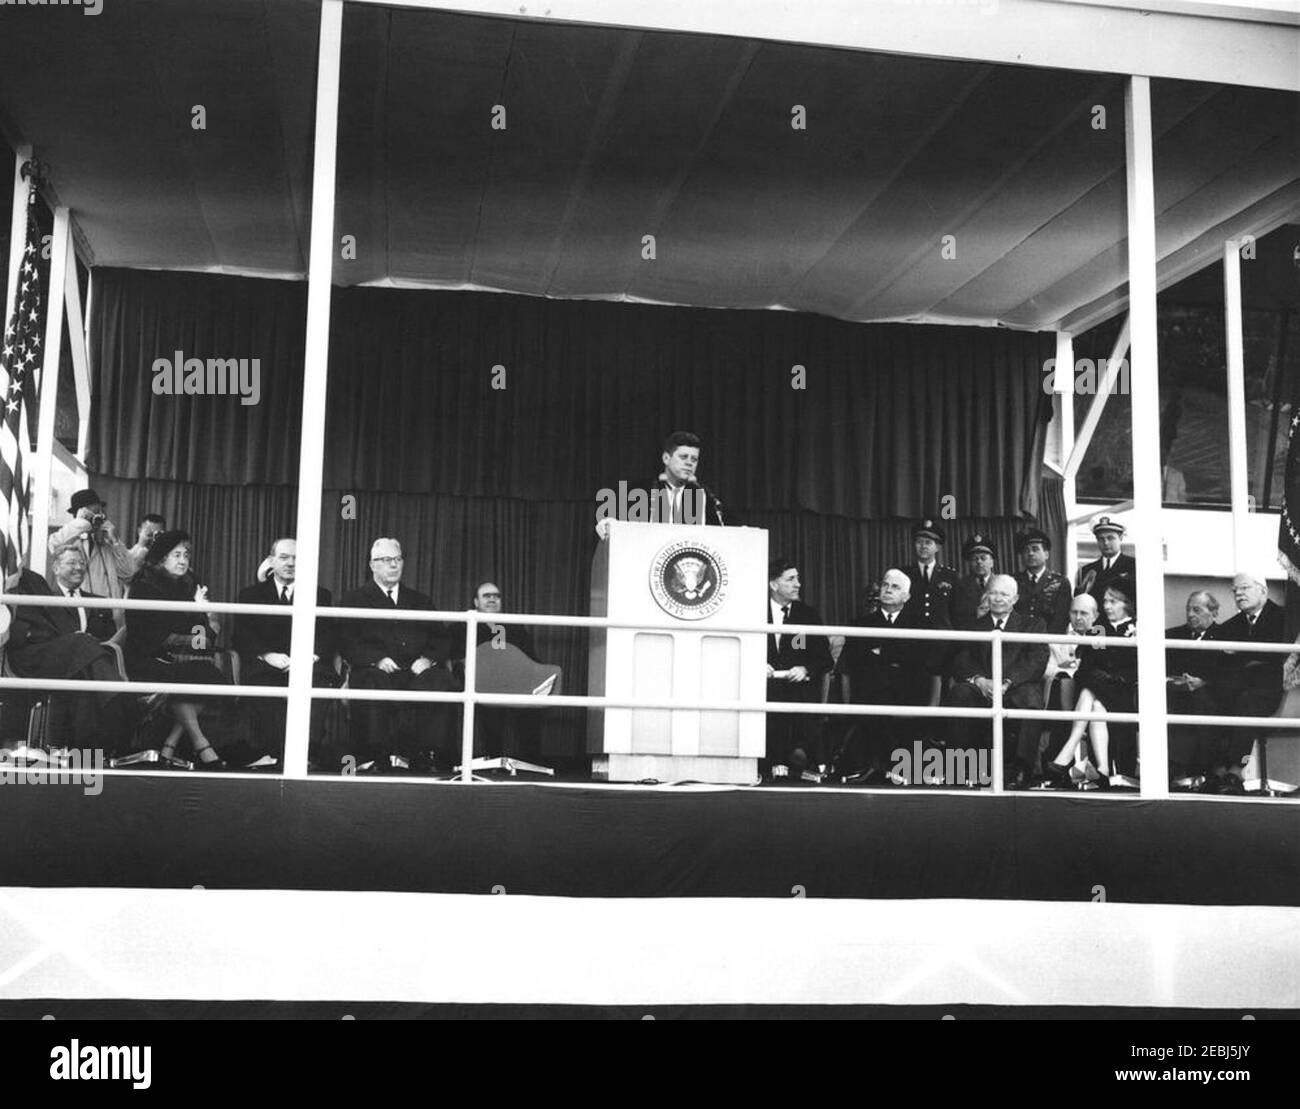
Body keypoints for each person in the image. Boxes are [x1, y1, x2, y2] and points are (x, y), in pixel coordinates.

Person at [339, 538, 461, 773]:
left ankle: (430, 755)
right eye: (386, 560)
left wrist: (427, 659)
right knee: (372, 681)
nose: (393, 565)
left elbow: (441, 639)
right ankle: (376, 756)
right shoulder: (354, 599)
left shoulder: (420, 600)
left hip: (416, 671)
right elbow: (347, 641)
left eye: (397, 559)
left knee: (440, 680)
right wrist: (376, 659)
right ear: (372, 565)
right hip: (376, 668)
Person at [5, 548, 139, 751]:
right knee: (81, 644)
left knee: (83, 670)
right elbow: (21, 631)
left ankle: (89, 748)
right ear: (56, 568)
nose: (78, 567)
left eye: (81, 563)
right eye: (72, 563)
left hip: (75, 656)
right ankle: (126, 702)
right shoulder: (21, 584)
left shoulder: (34, 581)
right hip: (32, 657)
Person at [124, 530, 231, 769]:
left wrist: (206, 615)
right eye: (176, 555)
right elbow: (156, 637)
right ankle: (201, 743)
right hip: (147, 659)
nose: (183, 561)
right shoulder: (144, 587)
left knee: (211, 676)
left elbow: (199, 640)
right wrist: (199, 617)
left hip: (177, 659)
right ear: (162, 559)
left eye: (186, 555)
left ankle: (170, 743)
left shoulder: (186, 586)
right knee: (187, 677)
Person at [234, 538, 340, 769]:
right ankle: (275, 754)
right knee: (263, 685)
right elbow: (242, 635)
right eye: (284, 557)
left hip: (308, 664)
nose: (291, 563)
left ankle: (307, 753)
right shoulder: (250, 594)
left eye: (296, 558)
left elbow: (328, 635)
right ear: (271, 561)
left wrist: (310, 655)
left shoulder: (320, 594)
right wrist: (267, 655)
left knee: (320, 684)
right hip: (267, 665)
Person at [942, 574, 1048, 789]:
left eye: (1004, 594)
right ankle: (962, 768)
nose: (998, 598)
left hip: (1016, 686)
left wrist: (1007, 682)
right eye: (993, 592)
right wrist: (980, 681)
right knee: (960, 694)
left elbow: (1036, 660)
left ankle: (1021, 771)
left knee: (1030, 700)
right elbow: (960, 657)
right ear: (986, 595)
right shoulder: (973, 625)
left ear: (1015, 598)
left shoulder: (1032, 624)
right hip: (981, 688)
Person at [835, 569, 931, 783]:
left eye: (895, 587)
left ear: (906, 596)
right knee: (873, 693)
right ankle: (880, 766)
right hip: (871, 689)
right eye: (886, 585)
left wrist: (882, 652)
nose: (888, 589)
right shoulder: (861, 624)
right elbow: (855, 658)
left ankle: (886, 765)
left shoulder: (920, 624)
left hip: (907, 690)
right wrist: (895, 656)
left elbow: (919, 658)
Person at [1043, 579, 1138, 790]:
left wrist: (1107, 677)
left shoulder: (1138, 628)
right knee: (1094, 700)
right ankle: (1103, 770)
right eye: (1105, 601)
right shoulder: (1099, 629)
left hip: (1126, 694)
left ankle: (1069, 748)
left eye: (1113, 602)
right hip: (1099, 695)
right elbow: (1085, 669)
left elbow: (1134, 670)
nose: (1106, 606)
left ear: (1127, 604)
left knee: (1092, 687)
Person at [1209, 569, 1286, 794]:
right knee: (1209, 699)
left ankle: (1236, 769)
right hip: (1236, 688)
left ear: (1263, 591)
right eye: (1235, 590)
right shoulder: (1230, 626)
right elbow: (1222, 662)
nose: (1238, 594)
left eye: (1244, 588)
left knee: (1246, 702)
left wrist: (1242, 657)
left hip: (1272, 690)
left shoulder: (1285, 619)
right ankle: (1217, 771)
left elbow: (1275, 659)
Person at [595, 430, 736, 537]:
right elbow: (608, 524)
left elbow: (722, 534)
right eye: (683, 457)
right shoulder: (640, 491)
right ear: (666, 458)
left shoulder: (706, 497)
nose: (689, 463)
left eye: (694, 459)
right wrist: (607, 524)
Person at [765, 557, 833, 777]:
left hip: (798, 690)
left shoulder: (807, 615)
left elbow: (824, 658)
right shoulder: (752, 612)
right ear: (773, 584)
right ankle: (770, 763)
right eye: (791, 579)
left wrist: (805, 669)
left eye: (798, 578)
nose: (798, 584)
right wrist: (753, 664)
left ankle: (805, 762)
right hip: (761, 689)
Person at [1165, 590, 1225, 788]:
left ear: (1213, 613)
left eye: (1197, 610)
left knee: (1201, 701)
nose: (1191, 614)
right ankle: (1171, 769)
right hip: (1176, 693)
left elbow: (1228, 673)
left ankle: (1201, 772)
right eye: (1188, 610)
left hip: (1210, 696)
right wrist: (1174, 681)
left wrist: (1204, 681)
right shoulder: (1171, 636)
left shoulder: (1224, 637)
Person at [46, 489, 137, 614]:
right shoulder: (70, 539)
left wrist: (115, 541)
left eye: (101, 512)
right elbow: (54, 544)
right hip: (81, 612)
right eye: (94, 513)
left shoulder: (109, 544)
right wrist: (82, 523)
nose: (98, 517)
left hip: (110, 614)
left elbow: (128, 573)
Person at [903, 519, 960, 629]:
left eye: (928, 542)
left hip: (941, 640)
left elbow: (956, 613)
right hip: (912, 639)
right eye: (919, 542)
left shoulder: (950, 576)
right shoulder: (904, 574)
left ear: (937, 548)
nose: (923, 546)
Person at [1014, 527, 1071, 634]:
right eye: (1026, 550)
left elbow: (1061, 619)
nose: (1030, 553)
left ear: (1046, 554)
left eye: (1035, 549)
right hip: (1018, 642)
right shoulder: (1013, 581)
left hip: (1048, 642)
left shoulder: (1060, 583)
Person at [1074, 516, 1135, 607]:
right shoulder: (1085, 571)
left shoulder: (1134, 567)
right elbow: (1079, 604)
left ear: (1121, 538)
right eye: (1101, 539)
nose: (1105, 543)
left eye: (1110, 538)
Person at [952, 534, 996, 630]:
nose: (979, 562)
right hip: (970, 638)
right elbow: (956, 617)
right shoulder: (960, 586)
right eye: (974, 559)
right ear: (970, 564)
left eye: (983, 558)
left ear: (992, 562)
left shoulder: (1002, 584)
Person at [126, 514, 167, 578]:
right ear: (139, 531)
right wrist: (142, 549)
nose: (153, 539)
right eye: (149, 535)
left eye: (157, 535)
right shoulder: (127, 556)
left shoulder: (168, 559)